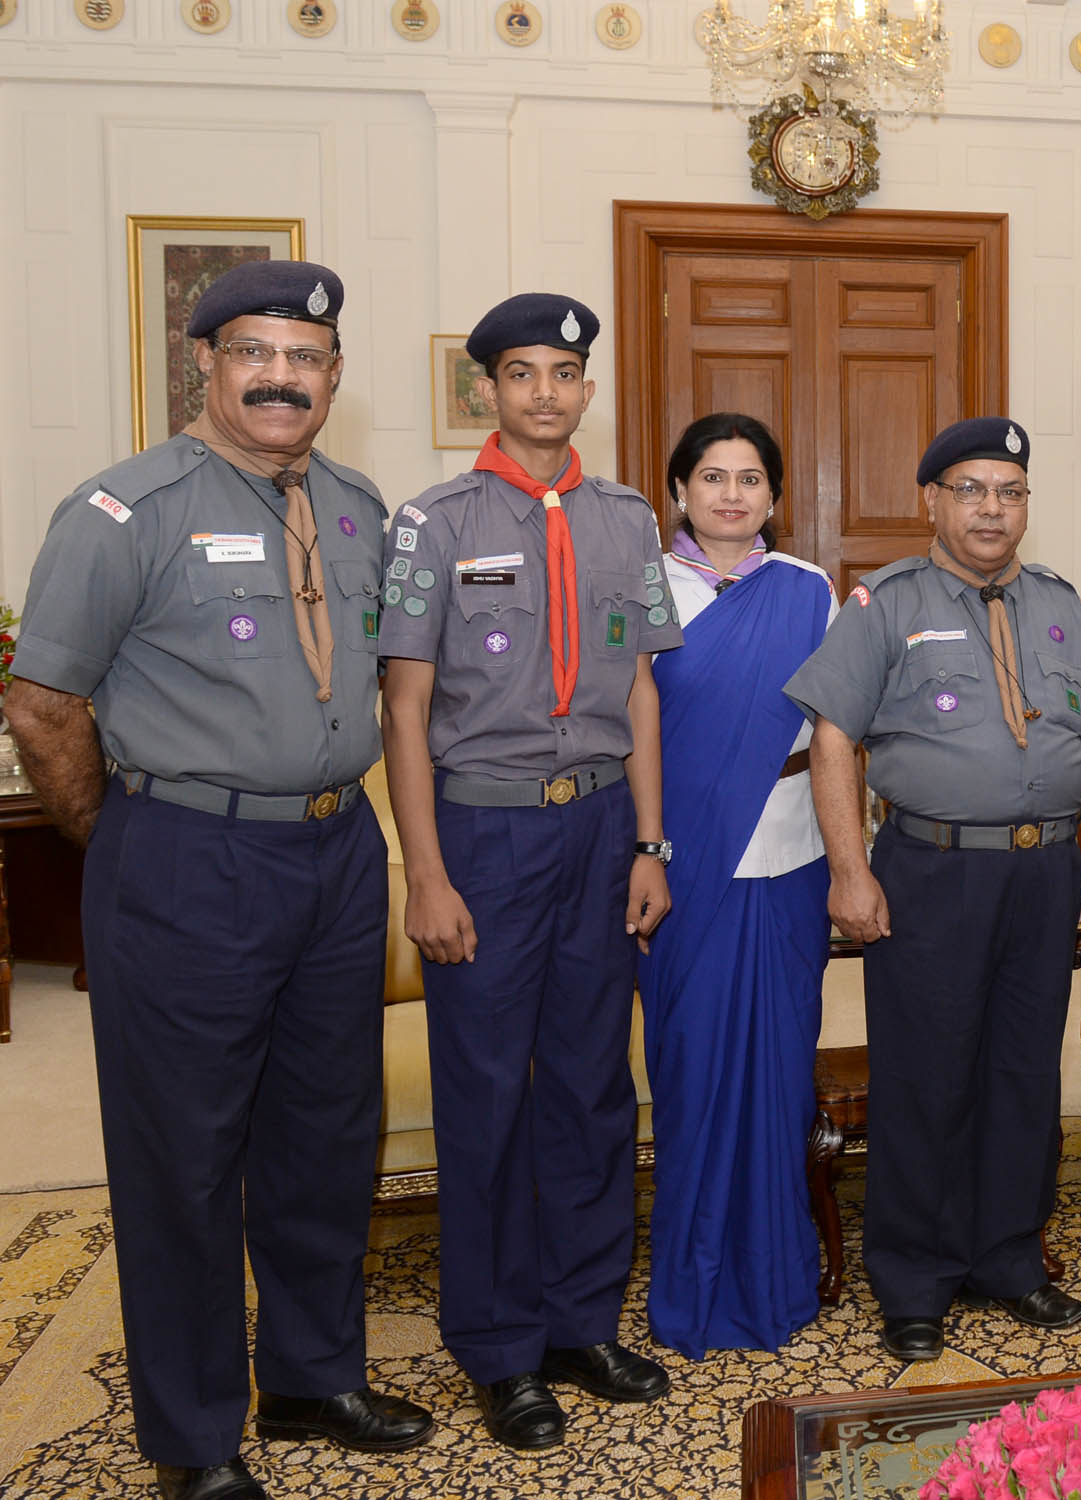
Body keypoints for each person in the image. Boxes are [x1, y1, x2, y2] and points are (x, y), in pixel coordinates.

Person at [6, 260, 433, 1500]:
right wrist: (132, 840)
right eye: (257, 352)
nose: (282, 378)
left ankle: (311, 1379)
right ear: (207, 362)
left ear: (336, 377)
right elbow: (41, 709)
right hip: (186, 859)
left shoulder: (358, 508)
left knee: (325, 1135)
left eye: (307, 359)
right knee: (182, 1160)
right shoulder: (120, 510)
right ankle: (193, 1440)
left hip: (335, 857)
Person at [379, 293, 682, 1453]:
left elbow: (643, 689)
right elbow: (405, 711)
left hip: (602, 830)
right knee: (490, 1094)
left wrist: (651, 843)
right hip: (487, 841)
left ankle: (579, 1320)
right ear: (488, 392)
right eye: (522, 372)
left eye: (565, 372)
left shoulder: (626, 519)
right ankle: (501, 1349)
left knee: (593, 1089)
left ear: (587, 391)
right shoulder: (434, 521)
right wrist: (428, 874)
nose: (546, 392)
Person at [783, 417, 1081, 1363]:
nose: (991, 508)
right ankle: (915, 1277)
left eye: (1009, 491)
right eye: (971, 489)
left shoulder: (1060, 605)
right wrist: (850, 871)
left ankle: (1009, 1258)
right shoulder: (886, 604)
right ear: (932, 499)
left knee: (1024, 1072)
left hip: (1044, 869)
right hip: (930, 870)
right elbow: (832, 740)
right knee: (925, 1078)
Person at [638, 412, 837, 1355]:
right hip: (681, 859)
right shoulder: (641, 586)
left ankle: (776, 1279)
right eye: (711, 477)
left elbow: (834, 733)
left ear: (775, 496)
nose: (730, 494)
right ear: (678, 491)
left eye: (751, 478)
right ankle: (693, 1284)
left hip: (789, 859)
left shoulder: (809, 590)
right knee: (692, 1069)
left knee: (779, 1077)